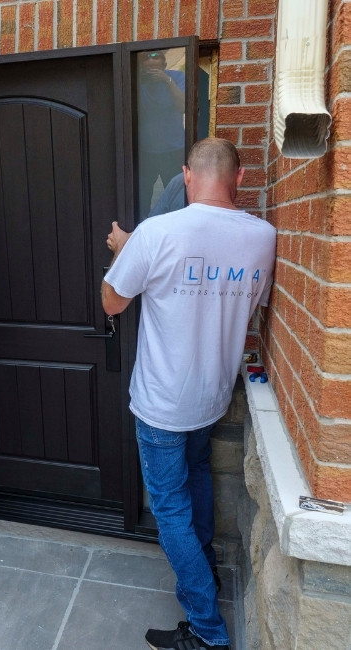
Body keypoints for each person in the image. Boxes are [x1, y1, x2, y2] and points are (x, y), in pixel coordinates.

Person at [101, 138, 276, 650]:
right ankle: (207, 576)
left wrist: (125, 249)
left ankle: (206, 630)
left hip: (161, 402)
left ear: (186, 175)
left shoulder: (156, 234)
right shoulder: (263, 236)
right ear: (239, 178)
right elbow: (244, 295)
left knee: (171, 510)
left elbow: (113, 302)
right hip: (212, 395)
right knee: (197, 478)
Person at [138, 50, 186, 218]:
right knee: (141, 198)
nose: (153, 73)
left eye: (157, 70)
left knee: (178, 198)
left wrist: (166, 80)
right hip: (145, 151)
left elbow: (183, 106)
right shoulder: (137, 81)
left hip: (174, 149)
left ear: (164, 66)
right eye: (149, 69)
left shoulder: (176, 77)